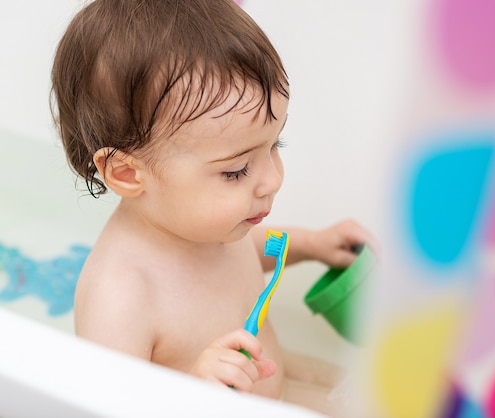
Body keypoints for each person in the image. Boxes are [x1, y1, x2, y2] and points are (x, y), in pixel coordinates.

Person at [51, 0, 374, 415]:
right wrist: (191, 392)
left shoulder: (213, 225)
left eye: (276, 144)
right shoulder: (120, 294)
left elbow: (247, 255)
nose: (273, 179)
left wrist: (314, 245)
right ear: (129, 174)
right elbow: (106, 406)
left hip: (277, 381)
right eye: (237, 170)